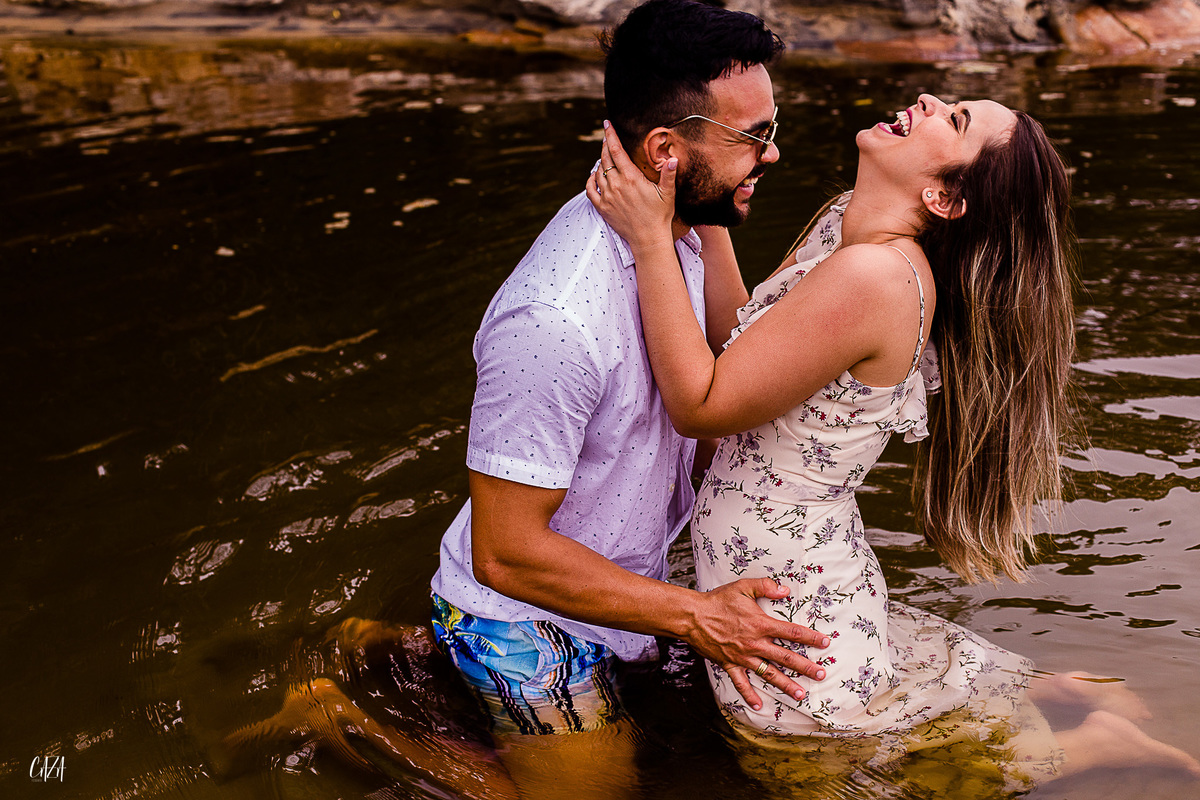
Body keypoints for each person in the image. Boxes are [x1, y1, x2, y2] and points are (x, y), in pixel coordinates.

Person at [587, 94, 1200, 790]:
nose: (930, 101)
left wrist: (648, 238)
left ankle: (1090, 745)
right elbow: (744, 348)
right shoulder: (844, 226)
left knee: (821, 767)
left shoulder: (878, 278)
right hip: (791, 560)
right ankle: (1063, 696)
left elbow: (702, 405)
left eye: (956, 121)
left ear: (943, 196)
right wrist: (709, 210)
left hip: (785, 586)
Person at [426, 0, 830, 796]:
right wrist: (697, 616)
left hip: (621, 591)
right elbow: (503, 552)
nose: (772, 154)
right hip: (521, 621)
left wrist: (711, 202)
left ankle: (398, 655)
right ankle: (342, 714)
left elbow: (732, 352)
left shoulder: (668, 225)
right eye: (752, 138)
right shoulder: (553, 318)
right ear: (664, 149)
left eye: (770, 125)